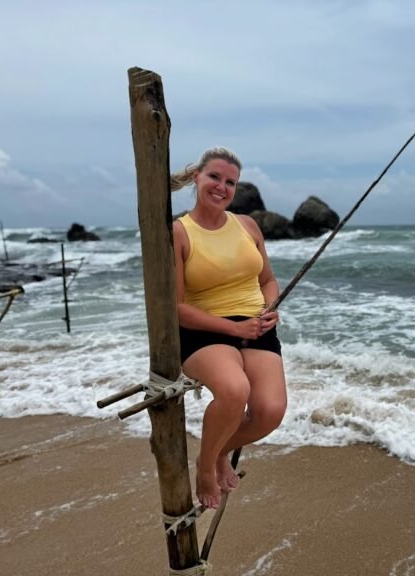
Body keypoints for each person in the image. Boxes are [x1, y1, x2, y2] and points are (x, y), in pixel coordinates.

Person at [171, 147, 287, 509]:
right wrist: (233, 330)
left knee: (270, 411)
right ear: (197, 178)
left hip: (255, 326)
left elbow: (268, 280)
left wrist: (270, 309)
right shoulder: (178, 232)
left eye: (230, 182)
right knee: (235, 390)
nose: (222, 187)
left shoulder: (248, 225)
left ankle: (221, 449)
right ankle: (206, 466)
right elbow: (176, 309)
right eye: (214, 177)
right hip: (203, 330)